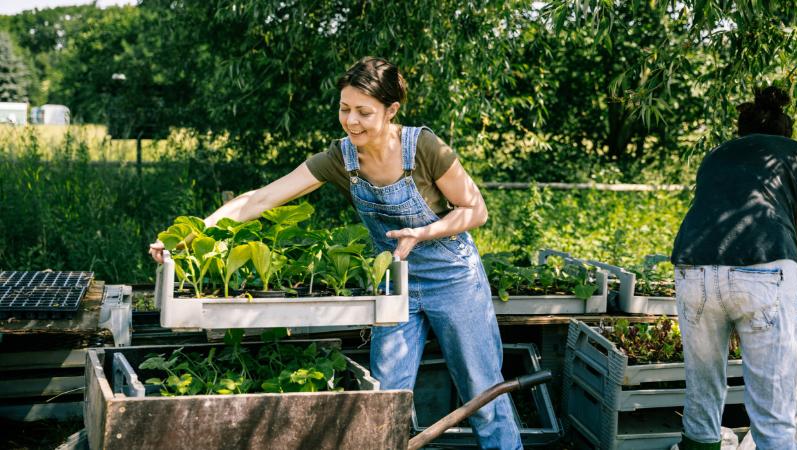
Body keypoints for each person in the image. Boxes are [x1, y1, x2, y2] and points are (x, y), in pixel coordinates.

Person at [149, 56, 523, 449]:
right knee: (385, 395)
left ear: (391, 110)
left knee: (482, 387)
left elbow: (475, 210)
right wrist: (188, 235)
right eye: (345, 109)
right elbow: (259, 199)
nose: (352, 121)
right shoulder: (340, 159)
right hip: (397, 282)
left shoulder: (424, 147)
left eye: (364, 112)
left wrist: (423, 232)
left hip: (454, 278)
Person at [670, 86, 797, 450]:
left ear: (743, 131)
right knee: (773, 414)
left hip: (694, 268)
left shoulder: (715, 156)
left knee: (702, 400)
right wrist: (794, 305)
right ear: (786, 132)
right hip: (767, 272)